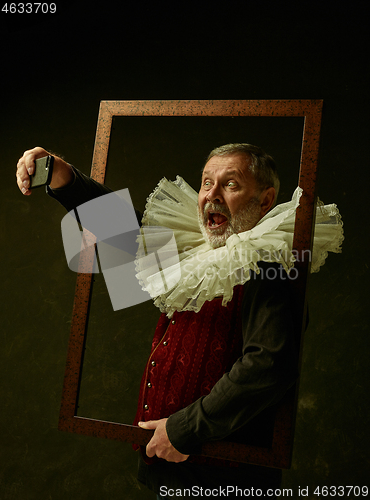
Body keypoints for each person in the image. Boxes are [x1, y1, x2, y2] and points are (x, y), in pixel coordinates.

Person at [16, 144, 304, 498]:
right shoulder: (194, 248)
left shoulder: (271, 263)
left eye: (230, 185)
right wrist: (62, 175)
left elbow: (270, 364)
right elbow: (122, 229)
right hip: (168, 464)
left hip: (222, 474)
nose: (211, 195)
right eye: (206, 183)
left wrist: (183, 430)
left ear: (265, 200)